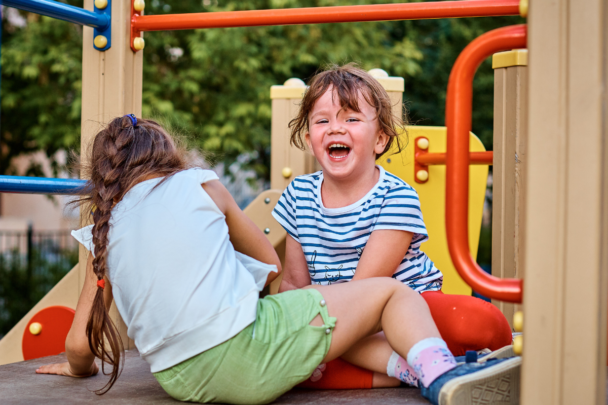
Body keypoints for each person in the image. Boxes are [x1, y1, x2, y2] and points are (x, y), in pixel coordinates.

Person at [36, 115, 519, 405]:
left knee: (320, 329)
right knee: (393, 294)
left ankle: (409, 370)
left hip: (178, 380)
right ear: (169, 155)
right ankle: (442, 377)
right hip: (245, 356)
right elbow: (267, 260)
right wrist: (282, 308)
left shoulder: (104, 228)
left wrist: (75, 370)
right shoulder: (199, 183)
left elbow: (80, 345)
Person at [272, 64, 513, 390]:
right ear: (308, 138)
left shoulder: (396, 196)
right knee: (284, 356)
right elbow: (293, 286)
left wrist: (318, 341)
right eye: (322, 120)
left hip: (409, 311)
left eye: (351, 118)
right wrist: (298, 330)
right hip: (340, 323)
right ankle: (421, 370)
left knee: (479, 323)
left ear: (380, 140)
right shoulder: (299, 196)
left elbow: (366, 290)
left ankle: (400, 360)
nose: (334, 128)